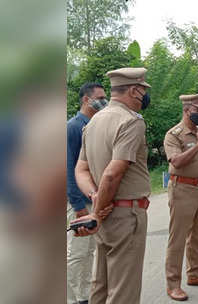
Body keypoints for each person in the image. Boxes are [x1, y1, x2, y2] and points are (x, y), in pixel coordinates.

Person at [70, 67, 152, 304]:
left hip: (105, 211)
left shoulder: (94, 122)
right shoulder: (131, 122)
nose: (144, 97)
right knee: (123, 291)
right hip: (125, 215)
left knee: (101, 285)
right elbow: (112, 174)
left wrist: (96, 199)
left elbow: (81, 169)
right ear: (135, 91)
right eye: (143, 91)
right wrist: (96, 211)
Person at [163, 93, 198, 301]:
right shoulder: (174, 134)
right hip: (182, 190)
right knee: (177, 238)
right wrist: (197, 145)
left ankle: (195, 274)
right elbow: (176, 162)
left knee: (197, 236)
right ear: (187, 111)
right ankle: (173, 284)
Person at [66, 82, 107, 304]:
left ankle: (84, 295)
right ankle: (72, 298)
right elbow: (68, 169)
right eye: (100, 97)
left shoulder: (94, 124)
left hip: (94, 198)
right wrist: (77, 203)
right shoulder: (73, 127)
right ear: (86, 100)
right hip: (79, 201)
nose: (104, 101)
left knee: (90, 250)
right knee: (77, 252)